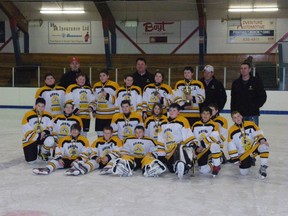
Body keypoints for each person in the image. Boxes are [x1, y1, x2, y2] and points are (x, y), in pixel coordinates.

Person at [157, 103, 196, 179]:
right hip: (169, 153)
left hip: (180, 149)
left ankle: (183, 164)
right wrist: (161, 155)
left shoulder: (183, 121)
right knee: (172, 170)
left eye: (174, 110)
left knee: (181, 147)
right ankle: (178, 166)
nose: (171, 112)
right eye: (170, 110)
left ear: (179, 112)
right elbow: (161, 139)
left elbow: (188, 135)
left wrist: (192, 146)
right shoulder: (163, 123)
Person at [227, 111, 269, 178]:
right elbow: (230, 145)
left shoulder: (251, 124)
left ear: (241, 116)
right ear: (232, 120)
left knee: (264, 146)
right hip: (243, 153)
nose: (237, 118)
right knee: (243, 173)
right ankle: (248, 160)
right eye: (234, 117)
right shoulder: (231, 130)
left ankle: (263, 167)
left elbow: (258, 132)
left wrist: (262, 139)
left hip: (253, 148)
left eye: (238, 116)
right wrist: (235, 158)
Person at [22, 97, 54, 163]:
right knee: (31, 161)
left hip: (43, 136)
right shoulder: (28, 114)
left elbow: (50, 127)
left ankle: (42, 153)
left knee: (50, 140)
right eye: (39, 106)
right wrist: (38, 135)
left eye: (42, 106)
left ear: (45, 106)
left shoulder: (48, 115)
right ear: (36, 105)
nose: (40, 108)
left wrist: (45, 132)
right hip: (31, 139)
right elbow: (26, 129)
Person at [191, 107, 222, 177]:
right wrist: (194, 148)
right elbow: (192, 137)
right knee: (203, 171)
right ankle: (211, 162)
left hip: (209, 149)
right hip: (199, 150)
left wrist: (202, 145)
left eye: (208, 114)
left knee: (215, 145)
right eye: (204, 113)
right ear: (201, 115)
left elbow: (215, 137)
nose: (205, 115)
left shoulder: (214, 125)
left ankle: (216, 165)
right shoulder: (195, 124)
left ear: (211, 116)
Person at [92, 69, 119, 137]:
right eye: (100, 76)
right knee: (100, 136)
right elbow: (94, 99)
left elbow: (117, 100)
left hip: (110, 116)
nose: (102, 77)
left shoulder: (114, 85)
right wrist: (94, 110)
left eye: (104, 75)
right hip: (99, 116)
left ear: (108, 76)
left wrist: (107, 96)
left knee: (110, 136)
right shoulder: (96, 86)